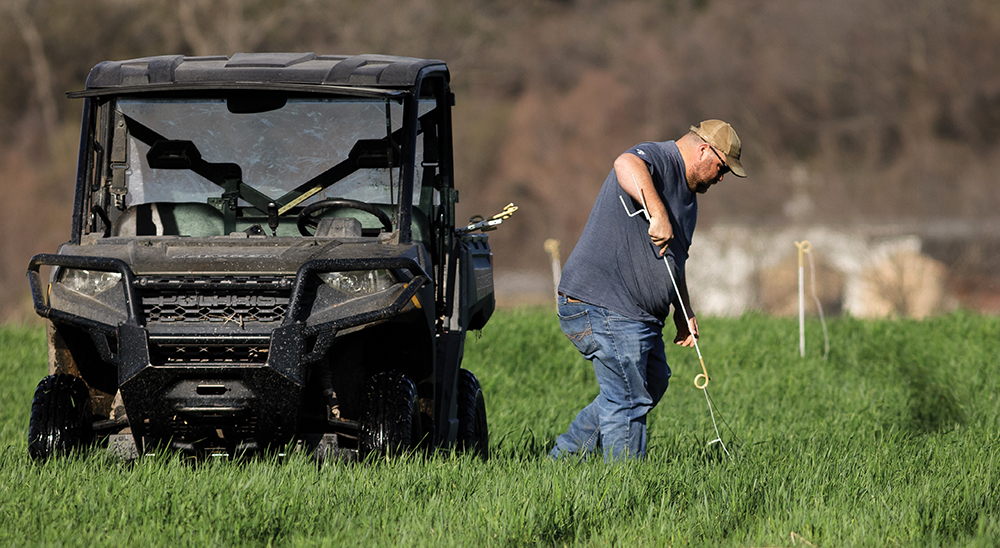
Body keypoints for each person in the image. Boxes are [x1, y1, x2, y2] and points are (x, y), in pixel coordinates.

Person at [550, 119, 747, 461]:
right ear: (704, 150)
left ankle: (564, 459)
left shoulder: (690, 202)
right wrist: (657, 213)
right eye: (721, 168)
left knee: (651, 383)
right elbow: (625, 163)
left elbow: (675, 260)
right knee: (627, 398)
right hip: (603, 302)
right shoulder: (658, 158)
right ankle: (626, 491)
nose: (720, 177)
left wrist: (683, 311)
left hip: (640, 315)